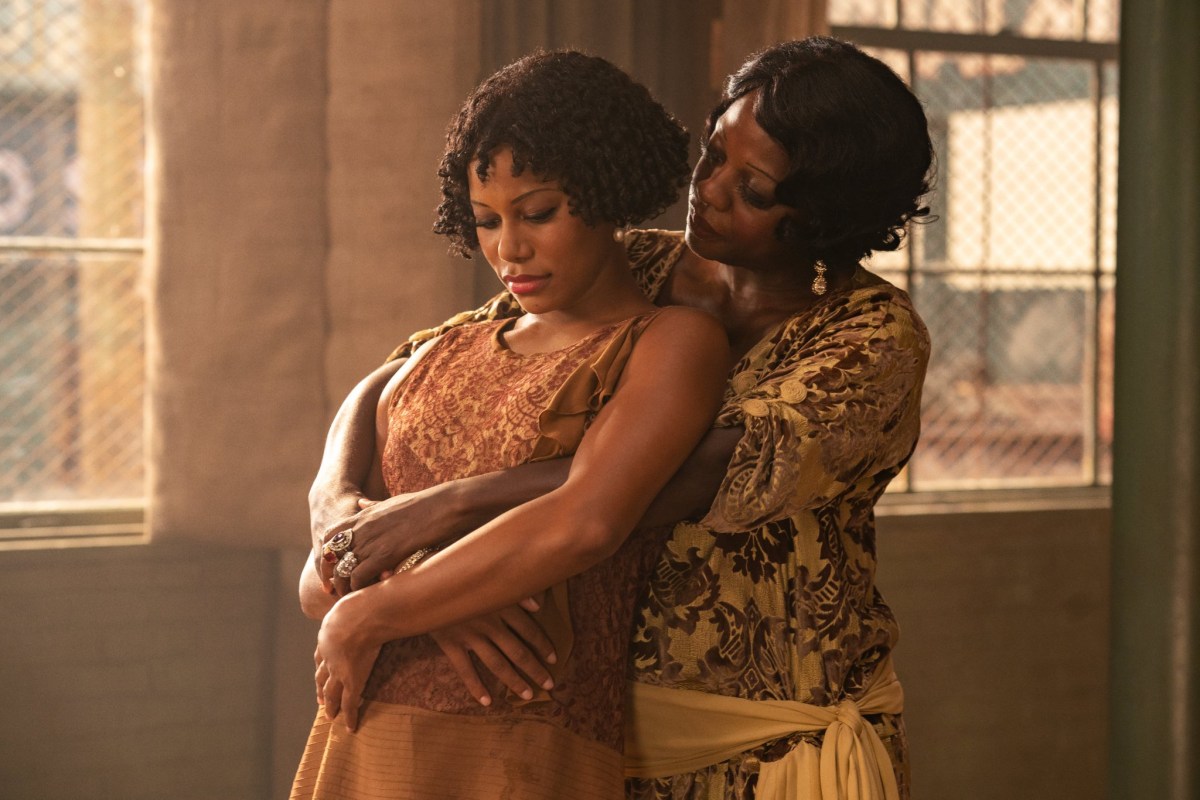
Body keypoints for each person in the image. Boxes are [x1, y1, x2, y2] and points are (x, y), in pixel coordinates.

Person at [307, 36, 933, 800]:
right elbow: (414, 376)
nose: (709, 190)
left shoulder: (871, 338)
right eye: (713, 156)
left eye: (755, 188)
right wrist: (338, 506)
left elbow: (664, 485)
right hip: (583, 723)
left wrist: (442, 510)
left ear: (828, 213)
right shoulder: (637, 261)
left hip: (766, 742)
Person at [290, 51, 729, 800]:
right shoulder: (441, 353)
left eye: (538, 213)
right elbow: (322, 573)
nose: (508, 249)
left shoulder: (668, 344)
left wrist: (375, 612)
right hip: (363, 743)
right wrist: (412, 600)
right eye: (487, 220)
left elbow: (587, 524)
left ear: (607, 189)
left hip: (522, 752)